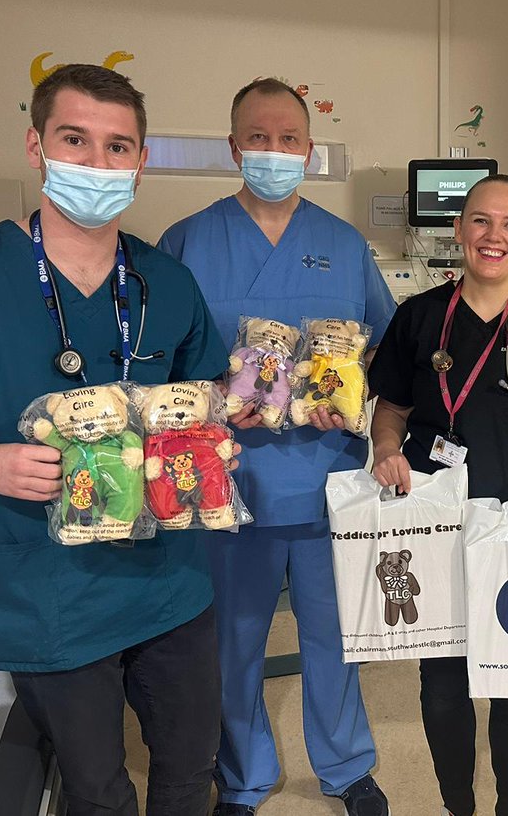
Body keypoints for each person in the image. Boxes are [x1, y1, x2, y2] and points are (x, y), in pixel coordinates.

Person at [0, 64, 231, 816]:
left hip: (170, 580)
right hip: (45, 587)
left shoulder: (165, 281)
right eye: (75, 141)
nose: (98, 164)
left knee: (191, 771)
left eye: (118, 147)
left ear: (140, 161)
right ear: (36, 146)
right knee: (96, 790)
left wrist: (216, 440)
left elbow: (206, 396)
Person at [158, 79, 395, 816]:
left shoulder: (342, 244)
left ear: (309, 150)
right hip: (229, 479)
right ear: (234, 148)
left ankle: (348, 766)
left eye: (289, 140)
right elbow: (160, 365)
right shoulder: (188, 240)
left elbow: (383, 349)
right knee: (234, 641)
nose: (274, 152)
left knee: (335, 634)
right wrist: (221, 404)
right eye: (258, 139)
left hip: (327, 478)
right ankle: (244, 775)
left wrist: (352, 404)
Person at [369, 174, 508, 816]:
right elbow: (392, 408)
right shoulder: (419, 316)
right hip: (432, 520)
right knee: (441, 679)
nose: (494, 236)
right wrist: (386, 449)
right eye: (481, 221)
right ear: (460, 229)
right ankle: (457, 805)